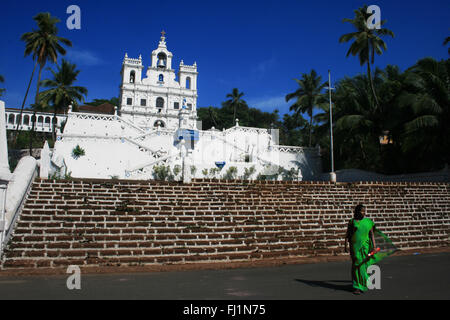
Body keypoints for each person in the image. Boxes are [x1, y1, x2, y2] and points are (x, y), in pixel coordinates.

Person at [345, 204, 378, 295]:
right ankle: (356, 286)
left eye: (364, 211)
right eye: (362, 211)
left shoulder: (368, 222)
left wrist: (374, 246)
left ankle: (361, 284)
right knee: (356, 265)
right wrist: (345, 245)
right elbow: (348, 234)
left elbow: (371, 235)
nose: (363, 212)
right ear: (357, 211)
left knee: (363, 265)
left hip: (365, 246)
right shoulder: (352, 221)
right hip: (354, 247)